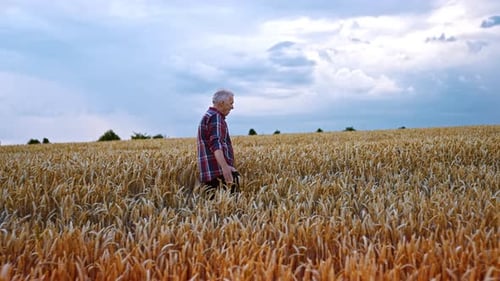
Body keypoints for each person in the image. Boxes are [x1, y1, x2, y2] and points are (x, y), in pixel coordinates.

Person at [197, 89, 240, 196]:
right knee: (232, 207)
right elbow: (216, 144)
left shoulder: (208, 116)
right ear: (222, 103)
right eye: (231, 103)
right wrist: (225, 168)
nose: (232, 107)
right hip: (218, 173)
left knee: (214, 209)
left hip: (210, 173)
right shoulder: (215, 117)